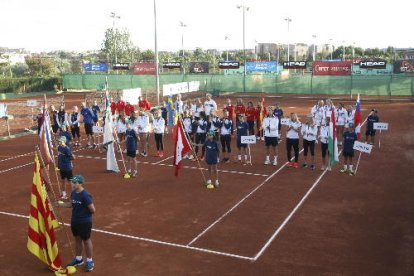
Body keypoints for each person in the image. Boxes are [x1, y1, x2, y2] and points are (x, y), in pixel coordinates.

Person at [58, 175, 95, 272]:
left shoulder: (85, 195)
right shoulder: (73, 193)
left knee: (86, 240)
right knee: (77, 240)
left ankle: (90, 261)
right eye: (72, 182)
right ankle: (79, 259)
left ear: (80, 183)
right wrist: (60, 205)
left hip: (84, 222)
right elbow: (71, 204)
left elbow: (92, 210)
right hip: (75, 221)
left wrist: (82, 213)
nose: (72, 184)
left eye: (75, 182)